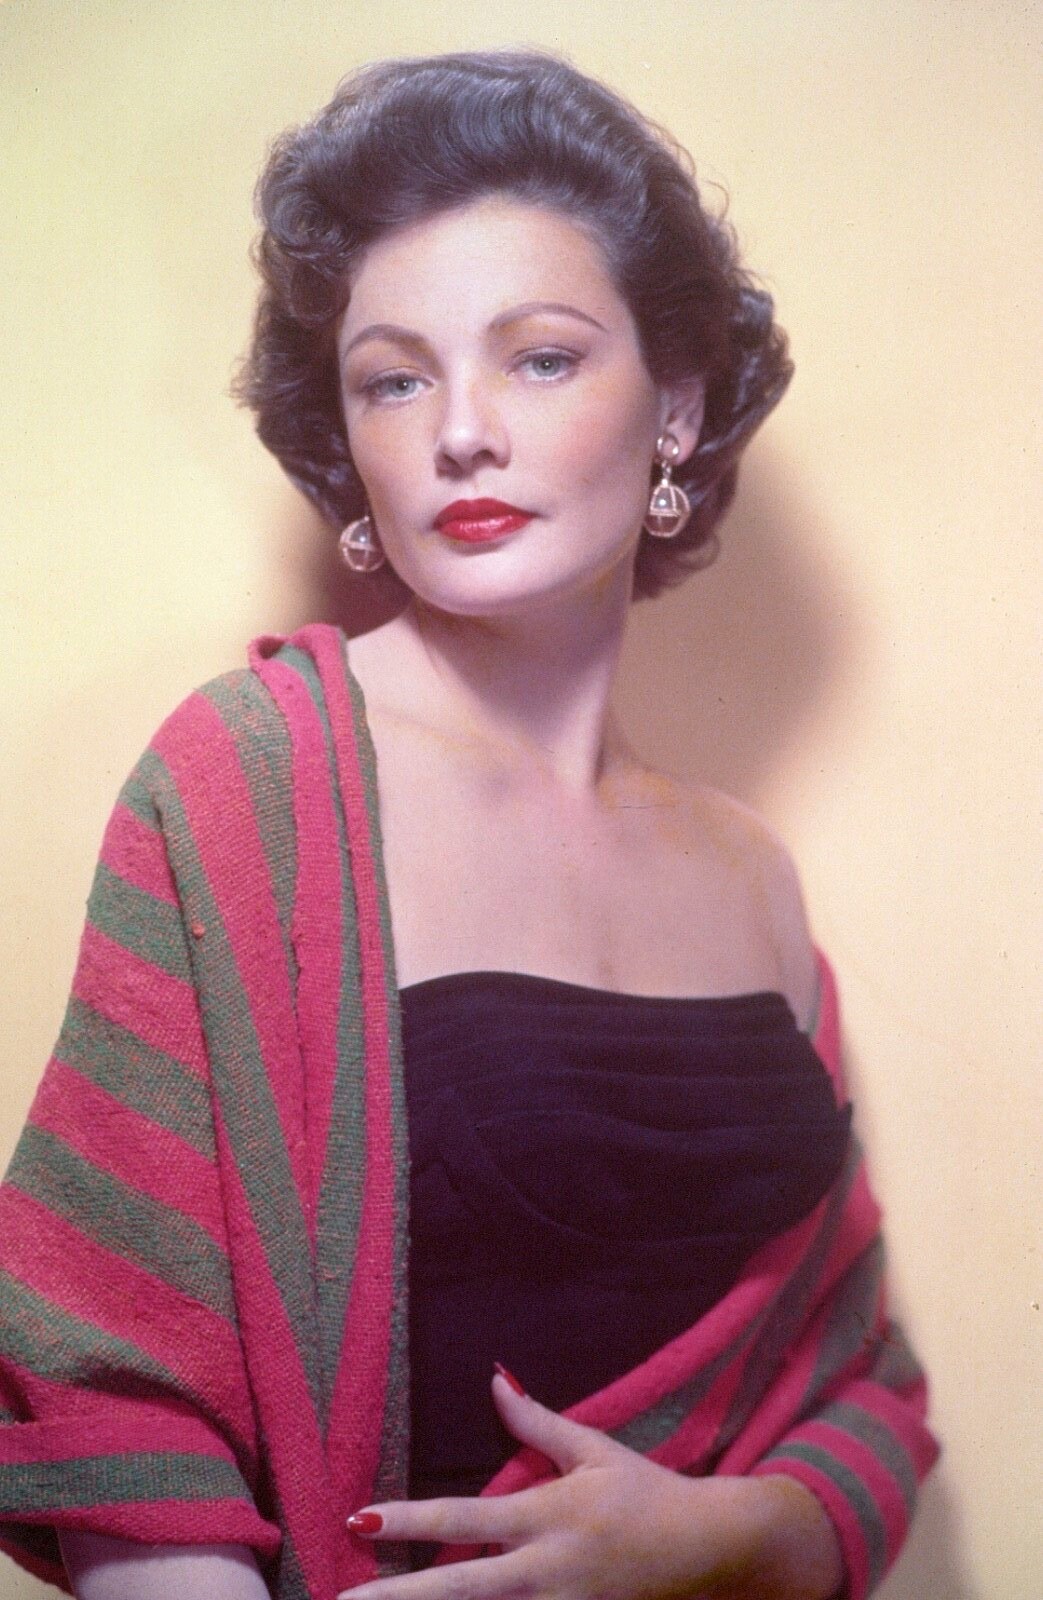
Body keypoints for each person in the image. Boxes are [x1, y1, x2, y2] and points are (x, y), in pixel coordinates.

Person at [0, 48, 938, 1600]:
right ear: (350, 440)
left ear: (677, 408)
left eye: (541, 358)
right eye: (395, 378)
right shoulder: (249, 780)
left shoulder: (753, 874)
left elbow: (863, 1395)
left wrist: (710, 1539)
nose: (461, 433)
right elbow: (114, 1398)